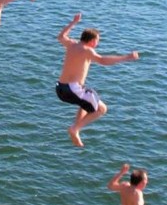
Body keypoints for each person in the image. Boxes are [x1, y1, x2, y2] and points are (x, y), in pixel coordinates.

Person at [55, 12, 139, 147]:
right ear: (92, 41)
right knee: (102, 109)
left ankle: (75, 128)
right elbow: (102, 60)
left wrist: (73, 22)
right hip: (72, 89)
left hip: (60, 89)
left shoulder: (71, 44)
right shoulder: (87, 50)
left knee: (86, 99)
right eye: (98, 40)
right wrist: (126, 58)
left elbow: (60, 36)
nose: (98, 43)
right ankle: (75, 128)